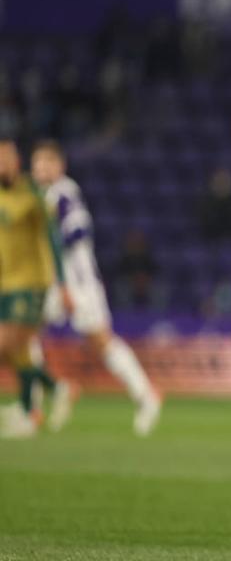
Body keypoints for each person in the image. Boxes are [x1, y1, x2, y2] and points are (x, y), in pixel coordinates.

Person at [30, 140, 161, 436]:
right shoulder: (39, 195)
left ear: (59, 166)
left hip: (78, 283)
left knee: (101, 341)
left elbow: (79, 231)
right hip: (53, 282)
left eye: (47, 163)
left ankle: (146, 395)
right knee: (24, 333)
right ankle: (35, 406)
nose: (41, 169)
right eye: (37, 163)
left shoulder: (64, 193)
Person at [0, 139, 74, 439]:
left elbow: (54, 238)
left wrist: (63, 283)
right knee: (17, 350)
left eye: (6, 160)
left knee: (7, 344)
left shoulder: (32, 191)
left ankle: (33, 409)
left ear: (17, 163)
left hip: (32, 282)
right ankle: (50, 394)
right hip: (7, 283)